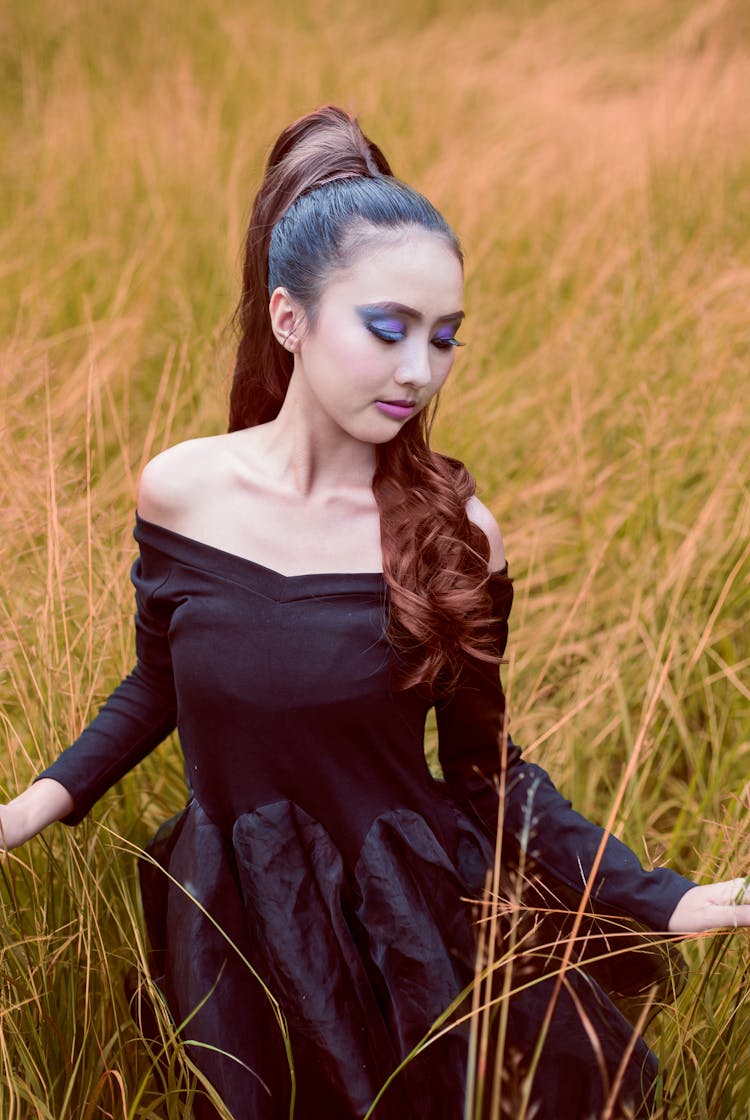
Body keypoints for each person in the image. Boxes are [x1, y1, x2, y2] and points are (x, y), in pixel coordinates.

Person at [1, 106, 748, 1120]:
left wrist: (655, 894)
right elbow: (157, 686)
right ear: (287, 318)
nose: (419, 372)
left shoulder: (456, 532)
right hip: (232, 911)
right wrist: (28, 808)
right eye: (387, 331)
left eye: (445, 339)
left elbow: (487, 770)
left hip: (406, 925)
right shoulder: (180, 490)